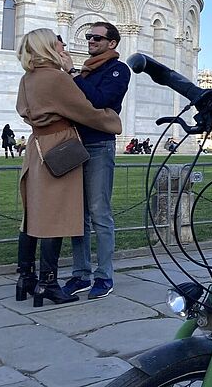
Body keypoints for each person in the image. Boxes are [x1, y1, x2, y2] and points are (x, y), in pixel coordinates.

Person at [14, 29, 122, 306]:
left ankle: (26, 277)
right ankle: (48, 283)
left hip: (39, 146)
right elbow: (86, 110)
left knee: (38, 212)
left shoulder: (29, 77)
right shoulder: (58, 77)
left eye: (96, 38)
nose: (89, 41)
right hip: (62, 146)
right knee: (59, 214)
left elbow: (22, 109)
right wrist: (112, 122)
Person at [61, 22, 130, 300]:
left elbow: (102, 99)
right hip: (77, 144)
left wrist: (72, 75)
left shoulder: (118, 70)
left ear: (111, 43)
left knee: (100, 212)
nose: (90, 40)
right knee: (79, 215)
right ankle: (81, 274)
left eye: (97, 37)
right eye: (89, 36)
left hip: (100, 145)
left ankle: (104, 276)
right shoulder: (86, 71)